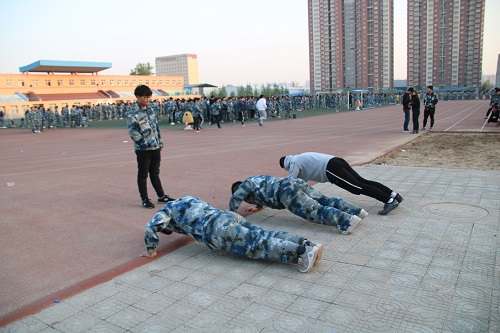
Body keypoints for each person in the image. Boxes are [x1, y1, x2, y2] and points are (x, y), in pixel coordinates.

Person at [141, 196, 323, 273]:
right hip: (226, 215)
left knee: (257, 245)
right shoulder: (186, 199)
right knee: (264, 233)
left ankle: (301, 252)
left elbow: (150, 228)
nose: (170, 231)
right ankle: (307, 244)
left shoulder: (163, 214)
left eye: (167, 230)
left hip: (218, 230)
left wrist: (151, 251)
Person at [230, 175, 367, 234]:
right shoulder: (254, 180)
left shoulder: (244, 186)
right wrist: (258, 207)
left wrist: (230, 215)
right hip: (293, 182)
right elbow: (263, 192)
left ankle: (346, 221)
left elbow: (236, 198)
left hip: (286, 193)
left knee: (314, 211)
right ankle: (356, 211)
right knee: (324, 199)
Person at [279, 153, 403, 215]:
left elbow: (290, 182)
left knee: (357, 187)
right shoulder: (300, 159)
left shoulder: (294, 162)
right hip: (335, 161)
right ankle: (393, 195)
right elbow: (302, 185)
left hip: (330, 168)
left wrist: (281, 193)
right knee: (362, 182)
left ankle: (389, 201)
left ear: (285, 165)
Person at [127, 85, 174, 209]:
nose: (147, 99)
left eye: (149, 97)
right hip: (143, 149)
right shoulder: (133, 112)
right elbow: (132, 131)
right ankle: (144, 198)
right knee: (143, 174)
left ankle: (161, 196)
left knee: (155, 173)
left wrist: (160, 143)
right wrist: (144, 144)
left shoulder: (151, 110)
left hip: (155, 147)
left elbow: (156, 128)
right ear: (138, 97)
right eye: (145, 97)